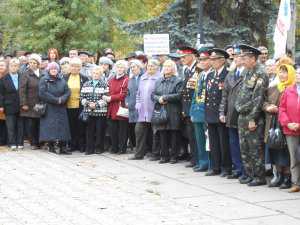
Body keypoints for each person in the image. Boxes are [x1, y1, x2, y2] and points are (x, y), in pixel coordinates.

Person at [235, 44, 269, 186]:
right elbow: (242, 92)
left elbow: (258, 98)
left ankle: (259, 176)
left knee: (255, 148)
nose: (242, 60)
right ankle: (250, 174)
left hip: (252, 116)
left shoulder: (260, 72)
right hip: (242, 115)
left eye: (246, 58)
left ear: (253, 59)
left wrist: (253, 118)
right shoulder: (246, 72)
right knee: (244, 147)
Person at [263, 64, 295, 189]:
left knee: (285, 152)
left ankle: (287, 177)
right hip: (272, 123)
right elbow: (264, 101)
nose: (282, 74)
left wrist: (280, 110)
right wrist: (267, 107)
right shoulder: (273, 87)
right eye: (280, 72)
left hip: (285, 124)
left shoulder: (293, 89)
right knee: (274, 150)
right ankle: (278, 175)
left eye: (285, 72)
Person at [219, 46, 245, 179]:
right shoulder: (231, 73)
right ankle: (238, 168)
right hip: (230, 113)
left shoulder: (248, 73)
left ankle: (246, 171)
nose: (237, 58)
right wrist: (222, 112)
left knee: (244, 145)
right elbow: (225, 95)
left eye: (239, 56)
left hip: (242, 114)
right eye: (235, 56)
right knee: (233, 143)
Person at [152, 60, 183, 164]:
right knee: (162, 133)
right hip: (161, 110)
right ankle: (164, 156)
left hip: (173, 110)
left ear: (173, 68)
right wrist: (158, 99)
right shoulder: (158, 81)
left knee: (174, 133)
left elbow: (179, 95)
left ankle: (174, 156)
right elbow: (153, 94)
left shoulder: (178, 80)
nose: (166, 68)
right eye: (165, 66)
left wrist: (165, 97)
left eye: (169, 66)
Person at [129, 59, 161, 160]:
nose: (150, 68)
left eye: (152, 66)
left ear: (157, 67)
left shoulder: (159, 78)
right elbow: (138, 93)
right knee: (139, 131)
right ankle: (139, 154)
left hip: (154, 109)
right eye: (149, 66)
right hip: (143, 110)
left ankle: (155, 153)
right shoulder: (143, 77)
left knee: (155, 133)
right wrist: (138, 103)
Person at [39, 62, 71, 154]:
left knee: (63, 127)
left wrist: (62, 99)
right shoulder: (44, 79)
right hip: (49, 106)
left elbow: (67, 92)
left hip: (61, 107)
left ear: (58, 70)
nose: (54, 70)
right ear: (49, 70)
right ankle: (51, 146)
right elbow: (42, 93)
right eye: (52, 69)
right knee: (50, 127)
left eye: (55, 69)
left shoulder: (62, 80)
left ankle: (63, 147)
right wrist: (56, 100)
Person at [278, 65, 300, 193]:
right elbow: (282, 109)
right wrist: (287, 123)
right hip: (291, 130)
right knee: (294, 157)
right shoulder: (288, 90)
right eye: (296, 73)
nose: (298, 76)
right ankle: (296, 183)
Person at [190, 48, 212, 172]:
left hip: (207, 112)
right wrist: (192, 110)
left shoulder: (212, 74)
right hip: (198, 110)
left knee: (209, 140)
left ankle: (210, 163)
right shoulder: (200, 74)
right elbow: (195, 93)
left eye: (204, 59)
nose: (202, 62)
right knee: (200, 139)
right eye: (200, 60)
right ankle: (202, 162)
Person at [80, 66, 109, 155]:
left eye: (97, 73)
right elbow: (82, 97)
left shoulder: (105, 84)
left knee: (100, 130)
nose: (95, 75)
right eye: (94, 73)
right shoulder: (86, 84)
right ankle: (89, 149)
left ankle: (99, 148)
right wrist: (88, 104)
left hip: (100, 112)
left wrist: (96, 105)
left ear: (100, 75)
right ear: (91, 74)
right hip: (89, 111)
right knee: (89, 131)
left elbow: (106, 98)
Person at [178, 46, 199, 166]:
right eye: (181, 57)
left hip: (194, 106)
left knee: (195, 136)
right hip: (188, 107)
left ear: (192, 56)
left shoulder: (198, 69)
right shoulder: (187, 70)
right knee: (191, 135)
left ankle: (197, 159)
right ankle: (194, 159)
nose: (182, 59)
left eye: (184, 57)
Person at [104, 60, 129, 154]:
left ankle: (122, 148)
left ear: (125, 69)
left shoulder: (126, 79)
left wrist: (111, 98)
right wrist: (105, 96)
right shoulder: (111, 79)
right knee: (112, 130)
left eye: (122, 67)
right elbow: (107, 90)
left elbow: (124, 94)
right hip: (111, 107)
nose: (120, 69)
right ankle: (114, 147)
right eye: (118, 67)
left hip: (120, 107)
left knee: (122, 130)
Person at [19, 53, 43, 149]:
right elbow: (22, 90)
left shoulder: (43, 73)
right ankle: (33, 142)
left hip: (40, 103)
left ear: (38, 64)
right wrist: (23, 103)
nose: (32, 64)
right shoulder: (25, 74)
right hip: (29, 103)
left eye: (34, 63)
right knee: (31, 124)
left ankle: (39, 142)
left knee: (39, 122)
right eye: (30, 62)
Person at [64, 57, 89, 152]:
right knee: (70, 126)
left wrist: (83, 98)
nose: (74, 68)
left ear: (80, 68)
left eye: (77, 66)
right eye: (72, 66)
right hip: (68, 105)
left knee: (81, 126)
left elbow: (87, 91)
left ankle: (81, 145)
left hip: (80, 106)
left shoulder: (84, 78)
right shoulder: (65, 77)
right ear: (70, 67)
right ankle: (71, 145)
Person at [0, 58, 24, 149]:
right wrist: (1, 105)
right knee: (10, 125)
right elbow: (1, 94)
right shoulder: (4, 79)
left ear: (18, 67)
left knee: (20, 125)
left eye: (16, 66)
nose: (14, 67)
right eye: (12, 65)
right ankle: (12, 142)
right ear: (9, 67)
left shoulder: (22, 76)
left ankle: (20, 142)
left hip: (21, 105)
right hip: (9, 105)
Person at [126, 59, 144, 151]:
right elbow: (127, 93)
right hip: (132, 107)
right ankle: (135, 147)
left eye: (134, 67)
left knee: (140, 128)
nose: (132, 69)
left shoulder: (144, 77)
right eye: (131, 67)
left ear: (139, 67)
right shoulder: (131, 79)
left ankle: (143, 148)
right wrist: (127, 101)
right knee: (133, 127)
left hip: (142, 107)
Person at [0, 60, 7, 145]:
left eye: (2, 65)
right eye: (0, 65)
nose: (1, 67)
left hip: (5, 103)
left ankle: (3, 140)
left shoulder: (7, 77)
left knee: (3, 123)